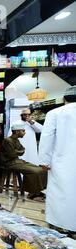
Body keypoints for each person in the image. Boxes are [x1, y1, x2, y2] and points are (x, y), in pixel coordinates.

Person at [39, 86, 76, 233]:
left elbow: (47, 138)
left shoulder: (55, 113)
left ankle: (60, 225)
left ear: (64, 99)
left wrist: (44, 161)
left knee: (61, 193)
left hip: (61, 161)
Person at [1, 122, 48, 201]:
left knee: (42, 169)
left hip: (17, 161)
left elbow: (22, 150)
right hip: (10, 163)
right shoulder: (7, 140)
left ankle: (37, 191)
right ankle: (32, 193)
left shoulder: (16, 140)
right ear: (17, 132)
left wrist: (17, 151)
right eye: (23, 131)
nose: (24, 132)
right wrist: (18, 151)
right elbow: (12, 154)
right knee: (34, 171)